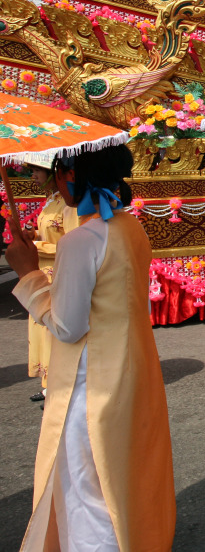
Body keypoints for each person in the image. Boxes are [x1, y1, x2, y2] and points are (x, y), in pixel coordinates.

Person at [4, 144, 175, 550]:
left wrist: (28, 274)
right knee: (123, 476)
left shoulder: (81, 241)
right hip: (132, 373)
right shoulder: (129, 227)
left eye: (61, 169)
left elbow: (66, 327)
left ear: (71, 176)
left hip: (90, 385)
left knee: (88, 489)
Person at [23, 153, 78, 404]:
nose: (32, 175)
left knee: (53, 329)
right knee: (42, 327)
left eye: (37, 170)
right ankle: (48, 382)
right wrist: (30, 234)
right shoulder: (51, 201)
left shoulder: (69, 204)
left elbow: (74, 245)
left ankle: (59, 383)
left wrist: (37, 247)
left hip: (58, 273)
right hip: (43, 273)